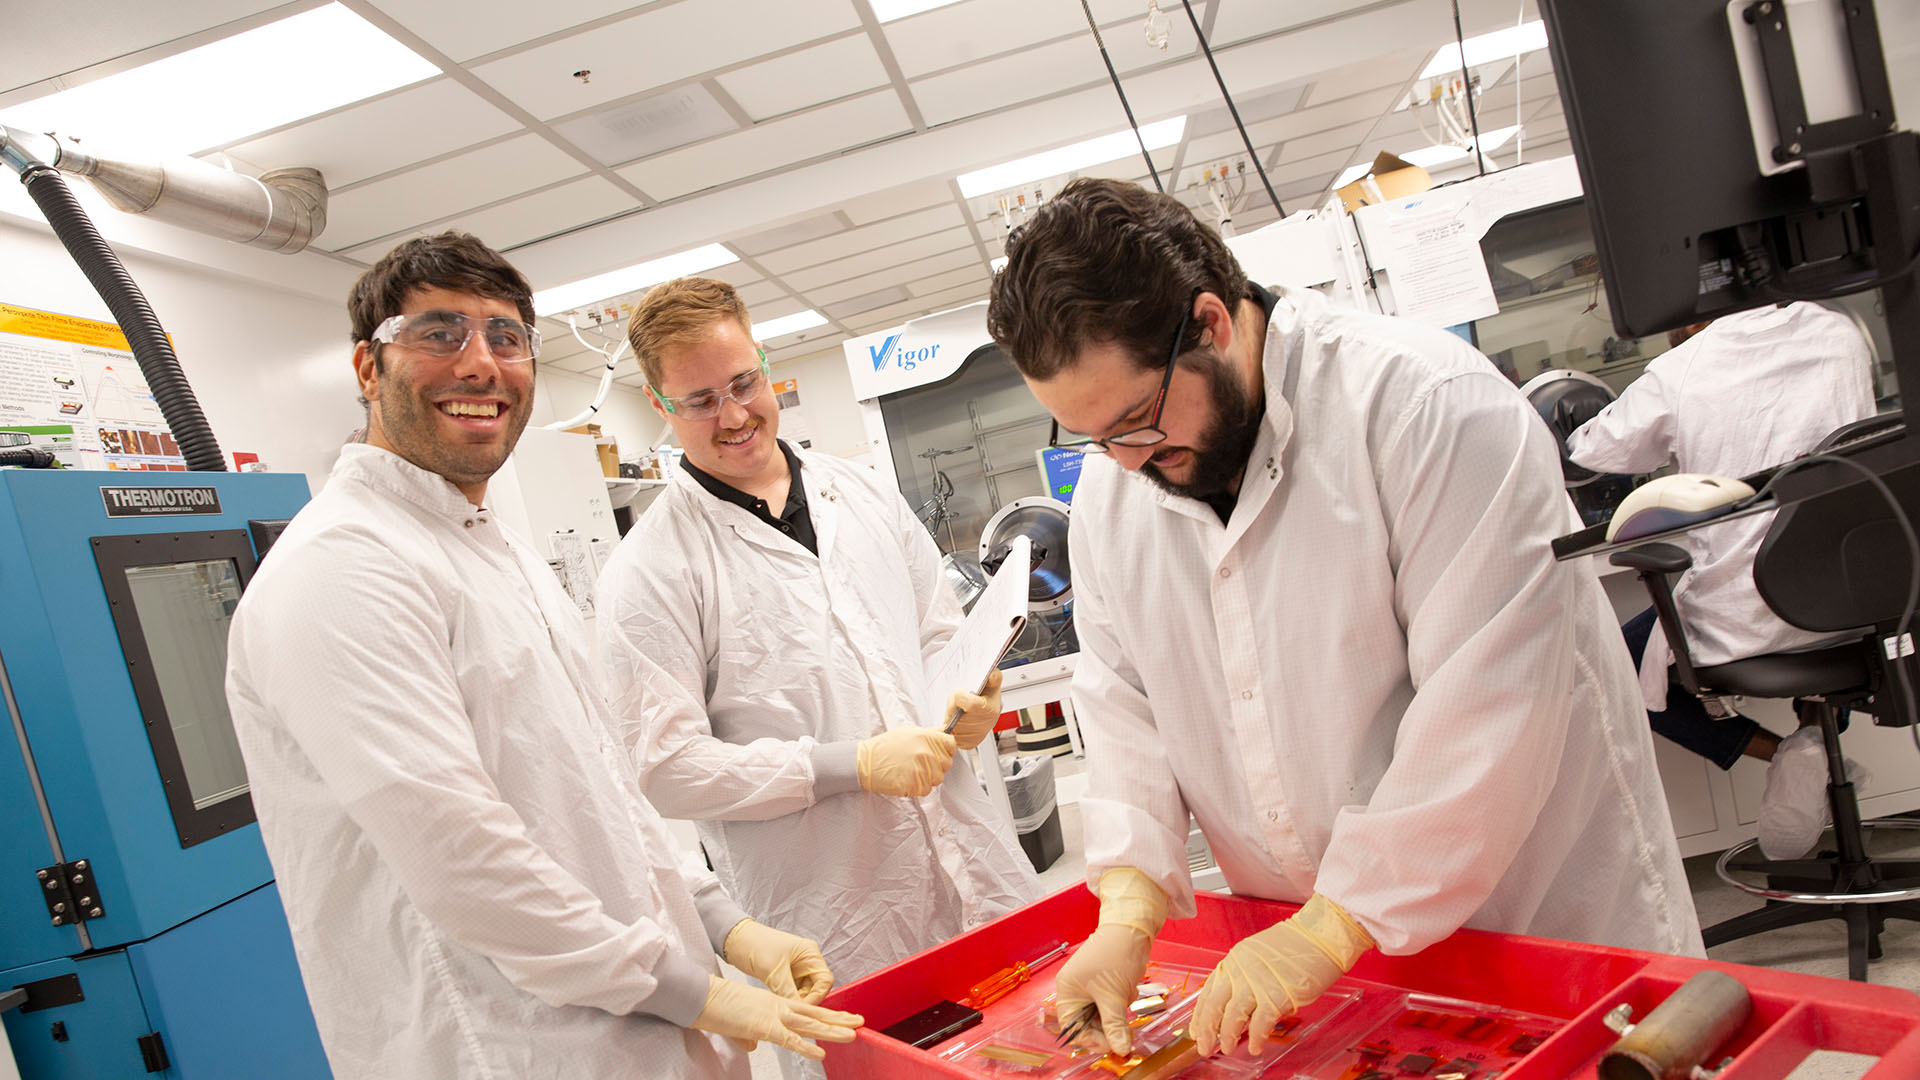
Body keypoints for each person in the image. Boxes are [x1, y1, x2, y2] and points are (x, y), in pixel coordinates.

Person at [985, 178, 1703, 1061]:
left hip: (1539, 923)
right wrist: (1129, 913)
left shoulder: (1422, 407)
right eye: (1092, 438)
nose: (1128, 462)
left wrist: (1330, 928)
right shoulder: (1113, 495)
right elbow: (1125, 707)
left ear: (1210, 323)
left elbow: (1490, 710)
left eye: (1136, 419)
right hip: (1338, 983)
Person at [224, 233, 861, 1080]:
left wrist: (723, 925)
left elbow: (602, 788)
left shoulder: (498, 551)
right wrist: (693, 989)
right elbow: (461, 858)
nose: (481, 364)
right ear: (368, 368)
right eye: (440, 333)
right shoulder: (342, 570)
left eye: (506, 337)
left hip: (641, 1025)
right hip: (508, 1046)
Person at [595, 276, 1041, 1077]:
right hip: (835, 912)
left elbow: (939, 629)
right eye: (699, 401)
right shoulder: (652, 570)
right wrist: (852, 766)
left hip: (969, 858)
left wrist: (974, 696)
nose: (733, 416)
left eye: (743, 383)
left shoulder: (861, 492)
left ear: (766, 365)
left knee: (1029, 1045)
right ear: (661, 406)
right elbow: (665, 769)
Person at [1568, 301, 1877, 859]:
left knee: (1617, 668)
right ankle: (1814, 738)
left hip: (1748, 621)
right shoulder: (1840, 333)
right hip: (1858, 609)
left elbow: (1592, 447)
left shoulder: (1684, 368)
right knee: (1828, 586)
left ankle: (1787, 755)